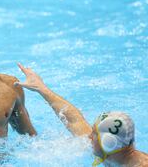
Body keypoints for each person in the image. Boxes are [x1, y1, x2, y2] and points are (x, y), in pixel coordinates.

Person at [14, 63, 148, 166]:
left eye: (94, 134)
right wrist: (41, 88)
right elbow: (75, 121)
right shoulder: (113, 153)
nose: (89, 136)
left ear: (109, 143)